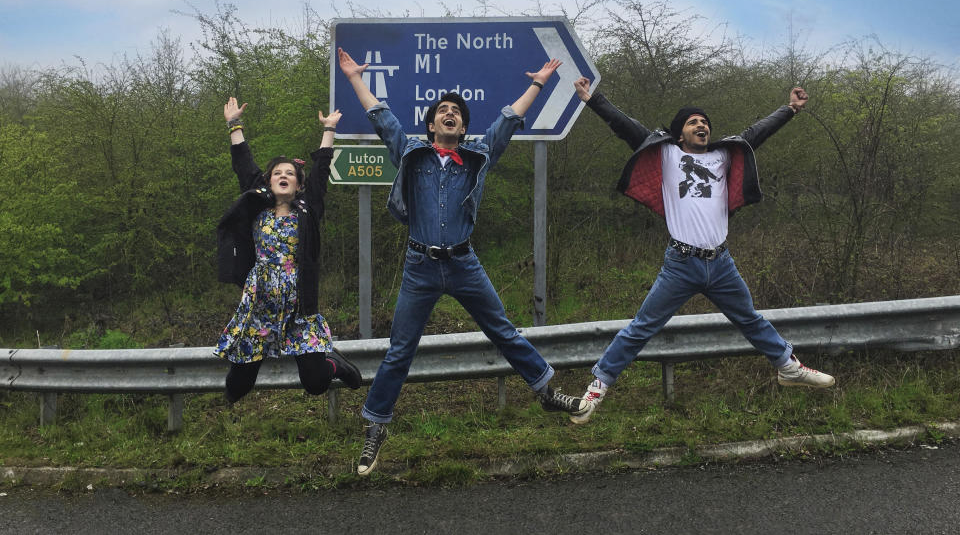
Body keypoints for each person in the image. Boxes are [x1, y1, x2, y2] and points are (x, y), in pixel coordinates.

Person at [338, 47, 587, 476]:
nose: (450, 114)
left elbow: (507, 122)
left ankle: (546, 391)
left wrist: (538, 84)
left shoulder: (477, 157)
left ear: (464, 126)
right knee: (400, 351)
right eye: (442, 111)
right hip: (419, 266)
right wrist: (356, 77)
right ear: (431, 123)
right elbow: (382, 117)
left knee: (504, 331)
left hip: (463, 263)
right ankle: (376, 427)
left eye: (456, 112)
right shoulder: (411, 154)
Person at [569, 77, 835, 425]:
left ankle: (788, 368)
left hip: (721, 263)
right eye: (694, 122)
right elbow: (627, 128)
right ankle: (597, 389)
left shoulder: (724, 156)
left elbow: (757, 133)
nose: (702, 125)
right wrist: (593, 100)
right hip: (680, 264)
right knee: (641, 328)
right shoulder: (667, 153)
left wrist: (790, 110)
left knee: (750, 319)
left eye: (705, 122)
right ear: (680, 134)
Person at [214, 97, 361, 404]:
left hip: (298, 307)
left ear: (298, 184)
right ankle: (239, 382)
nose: (284, 175)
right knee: (236, 387)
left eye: (290, 173)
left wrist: (329, 129)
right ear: (268, 182)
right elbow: (243, 165)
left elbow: (321, 171)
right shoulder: (257, 206)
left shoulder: (308, 210)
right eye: (278, 172)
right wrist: (234, 125)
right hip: (259, 306)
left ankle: (333, 362)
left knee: (316, 383)